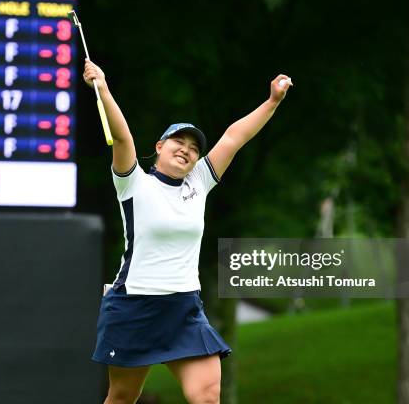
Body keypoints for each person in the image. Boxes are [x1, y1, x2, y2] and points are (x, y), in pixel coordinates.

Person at [84, 58, 292, 404]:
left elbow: (233, 137)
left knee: (208, 396)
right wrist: (102, 88)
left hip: (183, 308)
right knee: (121, 397)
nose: (187, 149)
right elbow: (122, 136)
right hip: (134, 305)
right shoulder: (134, 183)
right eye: (178, 141)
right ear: (159, 147)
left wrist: (272, 101)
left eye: (194, 147)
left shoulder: (199, 183)